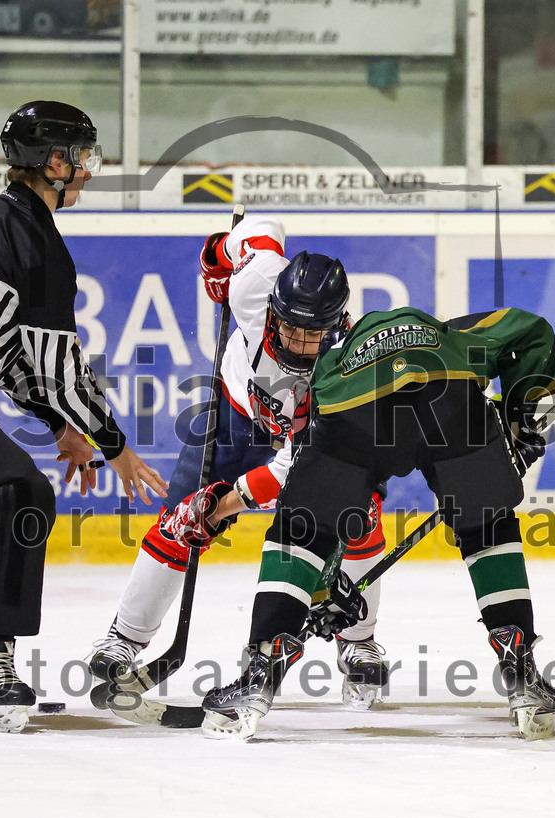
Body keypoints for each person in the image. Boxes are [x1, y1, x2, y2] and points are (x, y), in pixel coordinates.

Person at [0, 100, 167, 733]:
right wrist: (114, 444)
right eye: (84, 158)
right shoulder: (36, 242)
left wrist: (59, 428)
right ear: (54, 163)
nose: (90, 172)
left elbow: (8, 353)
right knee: (21, 493)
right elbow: (57, 369)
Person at [195, 304, 555, 741]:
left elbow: (338, 506)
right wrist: (522, 423)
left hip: (355, 411)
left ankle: (260, 673)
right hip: (450, 399)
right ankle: (521, 672)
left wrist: (326, 592)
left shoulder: (329, 366)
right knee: (487, 525)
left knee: (301, 530)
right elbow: (532, 330)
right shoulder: (454, 334)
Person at [87, 215, 391, 708]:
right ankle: (125, 636)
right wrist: (218, 259)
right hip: (233, 414)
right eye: (290, 328)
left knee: (358, 518)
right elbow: (257, 231)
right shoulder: (254, 285)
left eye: (313, 335)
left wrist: (228, 502)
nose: (298, 345)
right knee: (181, 518)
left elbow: (292, 465)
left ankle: (358, 641)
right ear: (273, 307)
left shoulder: (344, 370)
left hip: (302, 444)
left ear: (335, 326)